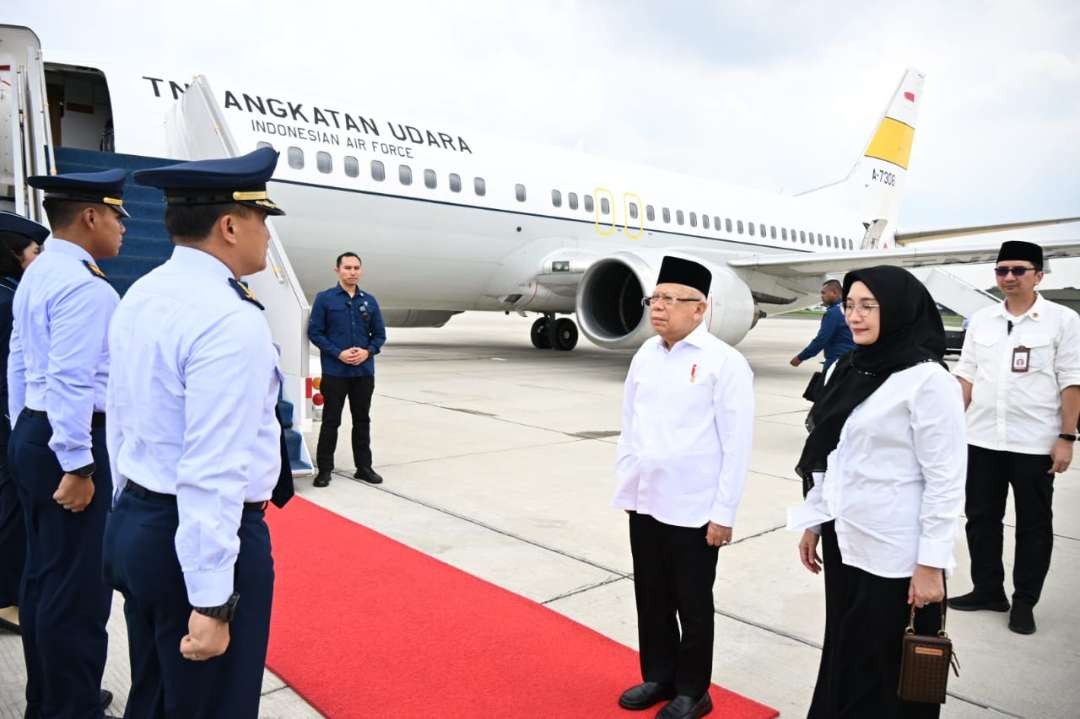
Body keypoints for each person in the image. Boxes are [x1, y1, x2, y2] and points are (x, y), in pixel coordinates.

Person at [102, 147, 292, 718]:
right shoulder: (228, 317)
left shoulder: (143, 291)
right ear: (230, 225)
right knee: (212, 706)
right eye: (262, 219)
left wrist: (125, 509)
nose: (266, 234)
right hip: (202, 541)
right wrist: (212, 601)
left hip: (142, 521)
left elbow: (121, 414)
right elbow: (213, 465)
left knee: (156, 694)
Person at [788, 266, 966, 719]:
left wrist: (931, 566)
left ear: (899, 310)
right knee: (846, 654)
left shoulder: (929, 382)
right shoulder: (846, 368)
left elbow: (945, 481)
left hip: (897, 555)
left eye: (869, 306)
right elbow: (829, 456)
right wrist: (813, 521)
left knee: (885, 673)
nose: (855, 316)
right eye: (849, 305)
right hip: (845, 540)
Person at [9, 170, 128, 718]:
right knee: (77, 590)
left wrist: (23, 427)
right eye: (116, 216)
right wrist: (77, 464)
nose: (123, 227)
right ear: (90, 217)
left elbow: (19, 361)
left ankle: (52, 694)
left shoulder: (41, 271)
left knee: (42, 575)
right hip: (70, 443)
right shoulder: (86, 286)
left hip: (37, 431)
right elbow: (72, 380)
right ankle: (70, 706)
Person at [613, 256, 754, 719]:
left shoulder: (724, 363)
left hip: (696, 509)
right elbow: (630, 424)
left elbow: (736, 444)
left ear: (700, 309)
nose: (659, 307)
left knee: (692, 605)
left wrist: (724, 513)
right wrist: (628, 486)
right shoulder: (645, 355)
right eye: (655, 297)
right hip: (647, 499)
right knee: (650, 595)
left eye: (672, 300)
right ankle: (659, 675)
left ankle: (694, 690)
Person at [948, 241, 1080, 635]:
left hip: (1034, 443)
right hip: (983, 438)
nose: (1008, 277)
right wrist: (952, 428)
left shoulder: (1062, 321)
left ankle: (1024, 601)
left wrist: (1067, 437)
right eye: (1001, 270)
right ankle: (988, 590)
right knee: (981, 518)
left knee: (1034, 526)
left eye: (1018, 270)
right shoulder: (982, 319)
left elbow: (1072, 381)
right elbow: (966, 376)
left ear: (1039, 274)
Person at [0, 212, 46, 636]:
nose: (39, 259)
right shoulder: (7, 299)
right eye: (34, 251)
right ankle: (6, 599)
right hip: (7, 419)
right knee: (11, 509)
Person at [307, 251, 387, 487]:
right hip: (336, 372)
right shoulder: (325, 299)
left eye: (356, 268)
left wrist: (368, 351)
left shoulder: (369, 301)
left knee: (362, 420)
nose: (352, 272)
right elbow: (315, 333)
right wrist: (338, 353)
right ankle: (324, 470)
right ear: (337, 270)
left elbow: (380, 335)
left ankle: (363, 467)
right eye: (347, 268)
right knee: (331, 421)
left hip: (363, 373)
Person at [790, 279, 855, 375]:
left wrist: (801, 357)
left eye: (824, 293)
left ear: (834, 293)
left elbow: (821, 340)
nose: (822, 296)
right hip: (852, 361)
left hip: (838, 362)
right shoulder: (850, 308)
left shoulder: (834, 313)